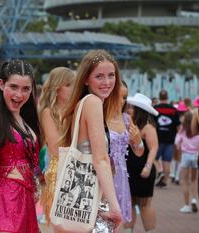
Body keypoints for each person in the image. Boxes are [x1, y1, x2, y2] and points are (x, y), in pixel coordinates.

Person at [57, 50, 123, 232]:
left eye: (111, 75)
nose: (107, 82)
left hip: (81, 196)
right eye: (99, 76)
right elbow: (100, 159)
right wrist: (115, 207)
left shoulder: (83, 103)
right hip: (91, 196)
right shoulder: (92, 102)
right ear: (86, 79)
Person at [0, 60, 41, 233]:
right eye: (13, 86)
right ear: (1, 84)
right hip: (6, 205)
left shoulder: (25, 120)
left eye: (26, 89)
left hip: (27, 203)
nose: (19, 94)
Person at [38, 66, 75, 223]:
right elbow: (54, 148)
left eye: (73, 84)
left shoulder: (75, 109)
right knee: (59, 221)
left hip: (74, 166)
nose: (72, 88)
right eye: (68, 85)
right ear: (56, 88)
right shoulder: (48, 112)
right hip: (58, 169)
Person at [106, 81, 144, 224]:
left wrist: (138, 140)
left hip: (121, 176)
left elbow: (139, 152)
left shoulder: (126, 119)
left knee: (115, 222)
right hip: (102, 174)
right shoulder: (98, 116)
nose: (121, 101)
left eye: (124, 97)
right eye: (118, 96)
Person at [124, 93, 159, 233]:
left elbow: (154, 147)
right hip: (129, 170)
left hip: (143, 169)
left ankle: (150, 231)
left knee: (145, 204)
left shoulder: (147, 127)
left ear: (140, 110)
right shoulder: (128, 124)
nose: (128, 109)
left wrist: (148, 166)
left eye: (132, 107)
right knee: (129, 203)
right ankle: (128, 230)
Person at [154, 90, 180, 187]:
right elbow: (178, 127)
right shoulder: (174, 110)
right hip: (170, 139)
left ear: (159, 97)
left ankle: (160, 171)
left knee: (153, 157)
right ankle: (165, 181)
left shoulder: (155, 109)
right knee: (167, 161)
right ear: (167, 97)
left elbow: (152, 124)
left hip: (158, 138)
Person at [175, 111, 199, 213]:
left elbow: (176, 143)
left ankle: (186, 205)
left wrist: (180, 147)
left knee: (184, 181)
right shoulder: (197, 131)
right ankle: (194, 199)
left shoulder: (182, 131)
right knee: (194, 180)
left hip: (185, 156)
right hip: (195, 156)